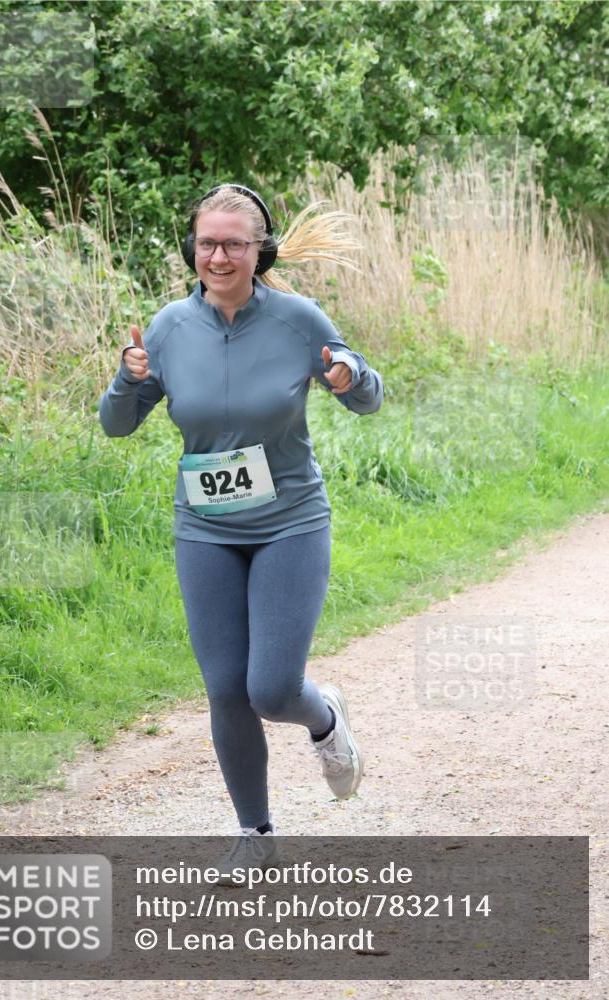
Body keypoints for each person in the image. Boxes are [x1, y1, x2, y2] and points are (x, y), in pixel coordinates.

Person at [98, 183, 383, 882]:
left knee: (270, 689)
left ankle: (321, 718)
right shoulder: (166, 327)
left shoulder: (296, 319)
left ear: (260, 249)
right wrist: (127, 379)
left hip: (289, 520)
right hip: (203, 527)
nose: (217, 255)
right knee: (225, 688)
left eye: (232, 243)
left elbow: (368, 396)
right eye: (205, 243)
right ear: (190, 248)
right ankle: (255, 834)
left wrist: (348, 374)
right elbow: (117, 423)